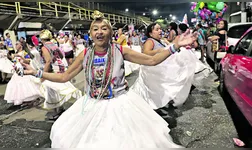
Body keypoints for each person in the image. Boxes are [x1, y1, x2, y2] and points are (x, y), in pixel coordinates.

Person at [19, 10, 197, 148]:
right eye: (95, 29)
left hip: (119, 105)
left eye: (104, 28)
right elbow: (64, 76)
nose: (99, 32)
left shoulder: (120, 50)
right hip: (91, 105)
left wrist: (174, 46)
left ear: (110, 32)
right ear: (90, 33)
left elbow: (151, 60)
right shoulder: (85, 54)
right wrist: (37, 72)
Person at [132, 22, 197, 117]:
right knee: (151, 92)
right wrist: (159, 50)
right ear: (150, 33)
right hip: (152, 71)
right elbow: (146, 53)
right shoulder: (150, 41)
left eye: (160, 29)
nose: (160, 31)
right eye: (157, 29)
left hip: (160, 71)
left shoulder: (162, 41)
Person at [4, 41, 42, 106]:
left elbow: (28, 61)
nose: (15, 45)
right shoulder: (15, 53)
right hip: (17, 71)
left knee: (27, 85)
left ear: (21, 45)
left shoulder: (24, 53)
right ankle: (24, 100)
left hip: (24, 71)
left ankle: (32, 99)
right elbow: (14, 62)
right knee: (17, 86)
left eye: (17, 44)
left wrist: (20, 57)